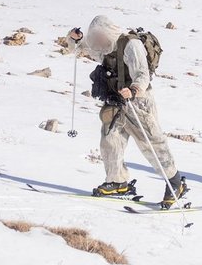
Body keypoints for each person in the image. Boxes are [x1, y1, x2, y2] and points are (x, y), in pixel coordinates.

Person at [68, 16, 187, 207]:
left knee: (151, 144)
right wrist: (78, 40)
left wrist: (133, 90)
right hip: (116, 100)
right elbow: (90, 51)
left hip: (138, 102)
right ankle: (117, 182)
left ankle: (175, 182)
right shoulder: (105, 47)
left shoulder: (131, 45)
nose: (98, 42)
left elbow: (142, 74)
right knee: (110, 140)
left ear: (108, 33)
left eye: (99, 37)